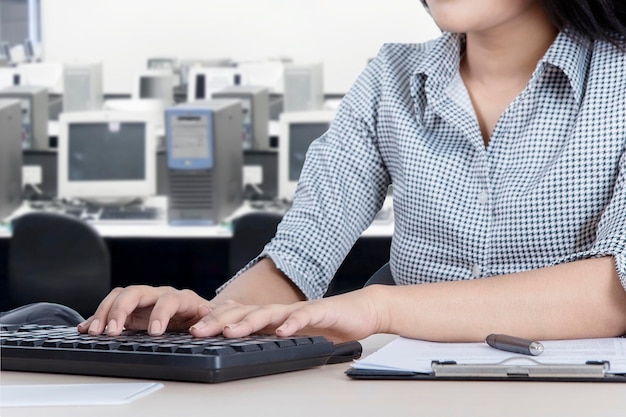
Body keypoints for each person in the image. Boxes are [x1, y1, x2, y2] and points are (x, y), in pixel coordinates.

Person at [80, 0, 626, 344]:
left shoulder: (617, 80)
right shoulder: (390, 79)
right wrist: (211, 318)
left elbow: (612, 292)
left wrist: (378, 307)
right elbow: (299, 259)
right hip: (414, 391)